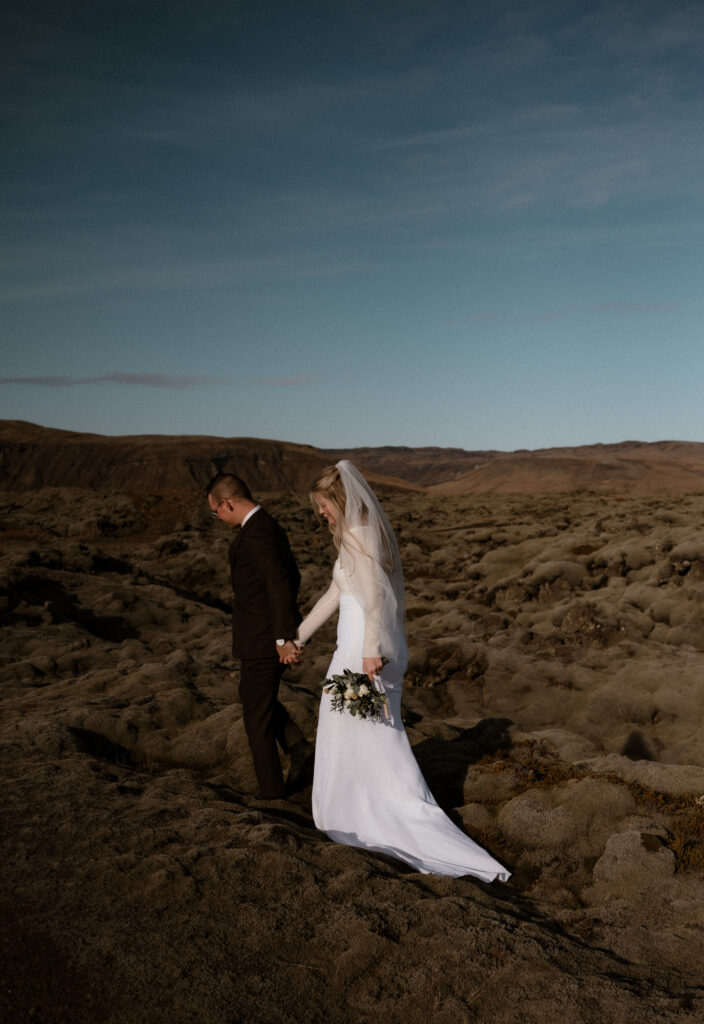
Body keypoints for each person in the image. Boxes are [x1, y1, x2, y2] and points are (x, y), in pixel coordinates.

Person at [295, 460, 510, 882]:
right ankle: (356, 804)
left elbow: (375, 597)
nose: (320, 513)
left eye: (323, 504)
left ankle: (377, 809)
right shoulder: (353, 534)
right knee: (358, 727)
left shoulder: (361, 533)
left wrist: (371, 651)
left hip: (363, 647)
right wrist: (298, 636)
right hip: (354, 642)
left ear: (338, 499)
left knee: (368, 728)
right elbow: (335, 594)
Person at [207, 472, 313, 799]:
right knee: (257, 701)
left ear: (226, 503)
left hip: (264, 640)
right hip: (263, 636)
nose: (217, 518)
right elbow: (290, 576)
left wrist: (282, 639)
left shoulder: (256, 534)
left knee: (256, 719)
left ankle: (273, 796)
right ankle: (300, 750)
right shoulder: (265, 525)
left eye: (215, 511)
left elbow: (280, 583)